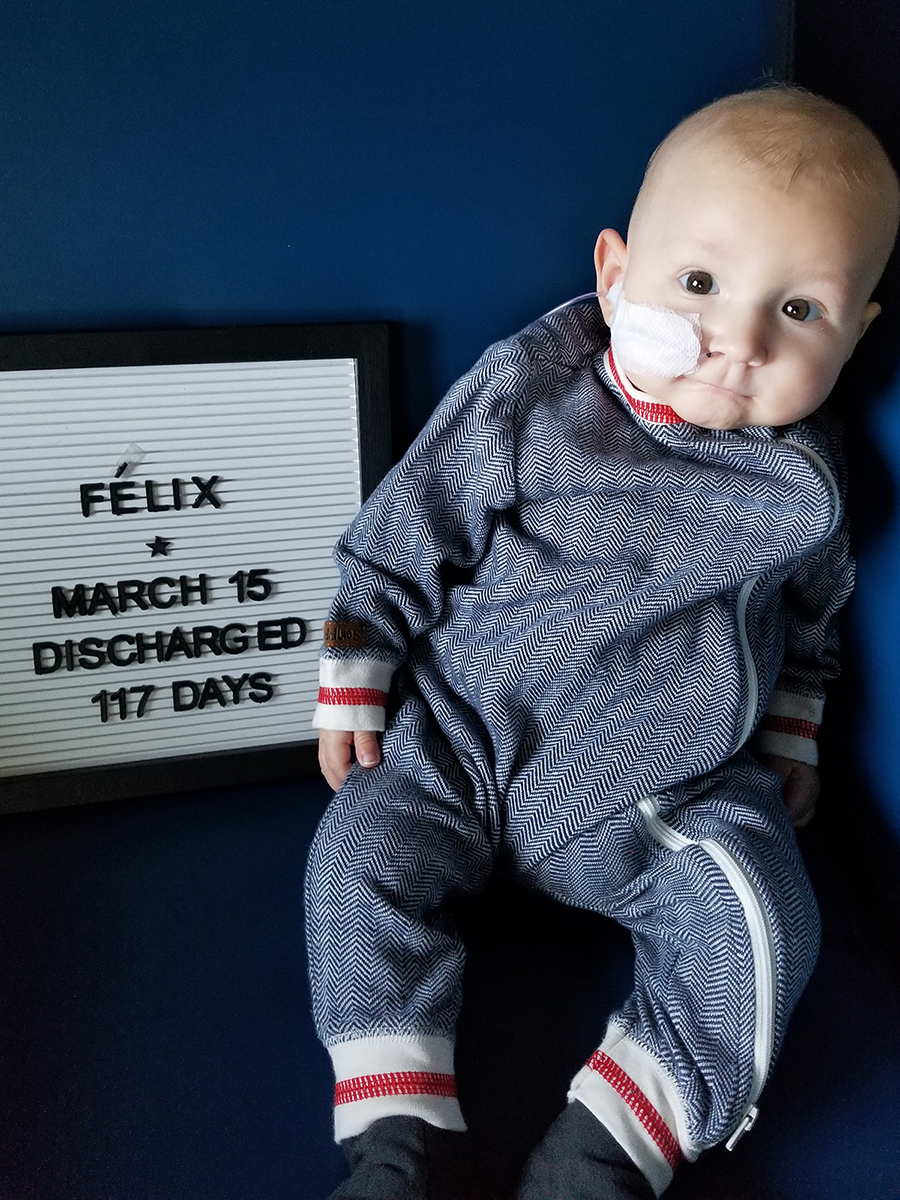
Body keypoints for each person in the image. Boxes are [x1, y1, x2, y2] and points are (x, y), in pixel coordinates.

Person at [305, 85, 899, 1199]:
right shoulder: (533, 393)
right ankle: (394, 1144)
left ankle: (609, 1148)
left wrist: (794, 730)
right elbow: (404, 525)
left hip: (664, 789)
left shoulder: (804, 482)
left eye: (803, 312)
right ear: (617, 272)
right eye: (700, 285)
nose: (738, 344)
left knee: (767, 920)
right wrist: (358, 662)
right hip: (462, 744)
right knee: (354, 863)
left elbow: (812, 614)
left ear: (860, 329)